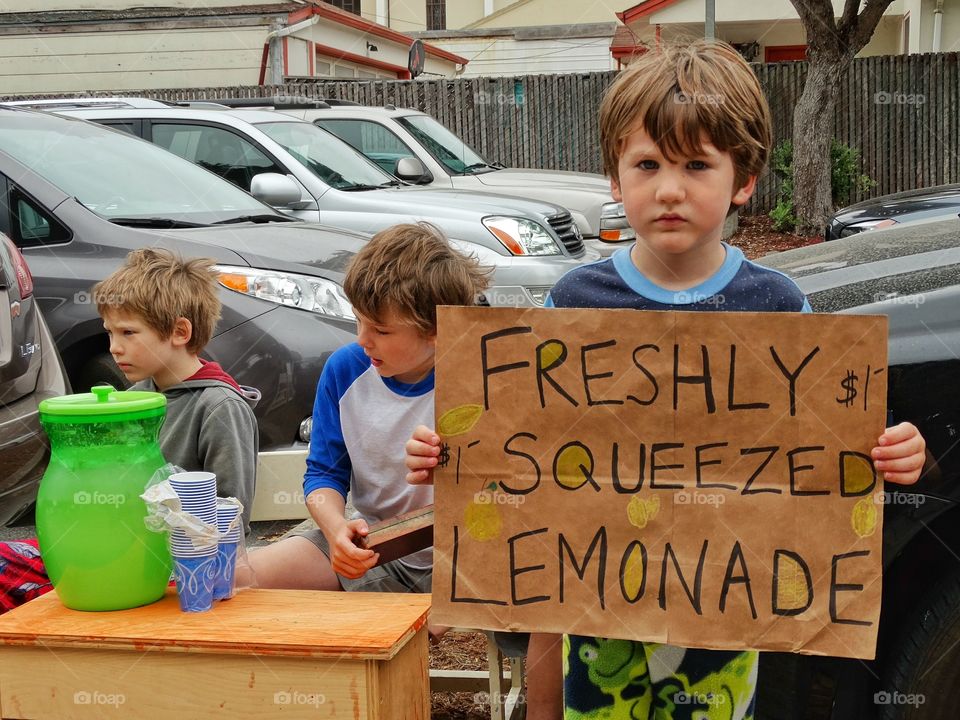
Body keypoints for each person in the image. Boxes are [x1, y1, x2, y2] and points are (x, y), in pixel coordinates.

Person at [403, 39, 928, 719]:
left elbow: (825, 449)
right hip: (595, 620)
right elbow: (521, 450)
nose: (670, 188)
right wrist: (449, 455)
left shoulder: (779, 308)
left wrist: (892, 452)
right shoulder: (573, 302)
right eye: (647, 164)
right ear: (615, 181)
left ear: (742, 180)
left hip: (724, 619)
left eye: (696, 165)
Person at [243, 223, 489, 613]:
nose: (362, 339)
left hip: (471, 561)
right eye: (358, 321)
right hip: (376, 545)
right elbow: (324, 472)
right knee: (240, 578)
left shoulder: (482, 375)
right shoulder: (345, 369)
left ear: (436, 331)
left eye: (380, 329)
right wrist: (336, 530)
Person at [0, 247, 260, 614]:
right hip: (112, 547)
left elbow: (230, 518)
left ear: (179, 332)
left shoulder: (219, 407)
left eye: (128, 333)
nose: (114, 348)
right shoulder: (135, 399)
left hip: (176, 572)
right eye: (109, 333)